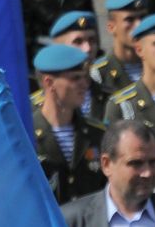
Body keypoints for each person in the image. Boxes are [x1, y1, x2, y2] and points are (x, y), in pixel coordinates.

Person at [31, 43, 105, 205]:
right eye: (75, 78)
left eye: (84, 77)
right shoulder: (27, 135)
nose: (84, 85)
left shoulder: (96, 133)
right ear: (49, 83)